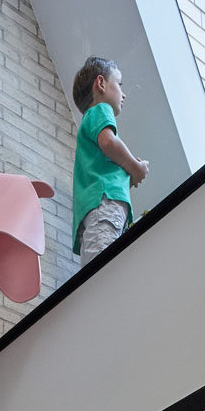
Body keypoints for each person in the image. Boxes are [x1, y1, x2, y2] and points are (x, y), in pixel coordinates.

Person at [71, 56, 149, 267]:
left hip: (96, 213)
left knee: (96, 273)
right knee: (104, 270)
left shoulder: (89, 123)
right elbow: (108, 142)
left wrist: (127, 173)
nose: (123, 94)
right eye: (119, 83)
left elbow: (105, 158)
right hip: (104, 208)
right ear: (101, 83)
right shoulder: (100, 110)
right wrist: (135, 166)